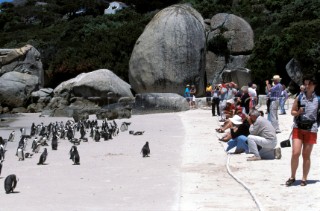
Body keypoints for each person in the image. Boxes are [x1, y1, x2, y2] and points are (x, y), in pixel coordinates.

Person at [285, 75, 319, 187]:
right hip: (298, 127)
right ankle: (292, 176)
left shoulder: (318, 99)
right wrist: (298, 112)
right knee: (295, 153)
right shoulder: (299, 97)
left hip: (311, 128)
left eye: (309, 84)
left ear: (314, 85)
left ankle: (304, 178)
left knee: (306, 155)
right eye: (305, 84)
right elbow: (292, 112)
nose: (307, 86)